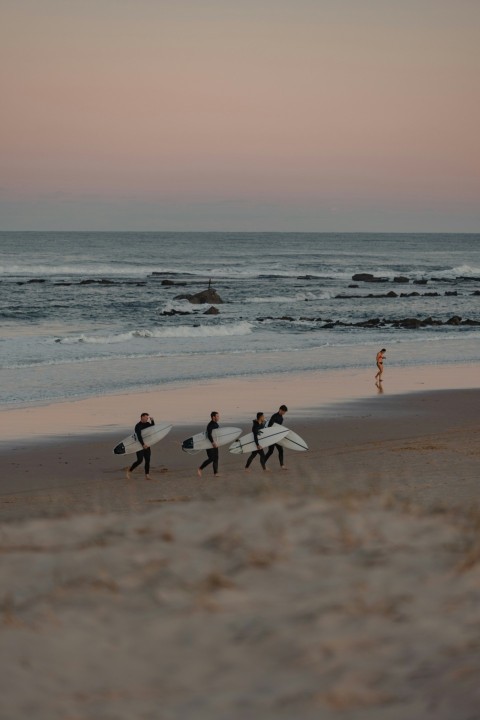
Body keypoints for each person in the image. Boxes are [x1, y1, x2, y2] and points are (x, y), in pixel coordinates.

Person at [126, 413, 155, 480]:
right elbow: (139, 436)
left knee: (147, 460)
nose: (147, 418)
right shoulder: (138, 426)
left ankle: (147, 475)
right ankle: (129, 470)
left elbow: (152, 428)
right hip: (139, 445)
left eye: (147, 418)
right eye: (146, 417)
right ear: (142, 417)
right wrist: (143, 444)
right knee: (140, 460)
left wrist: (152, 421)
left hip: (147, 444)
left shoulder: (147, 424)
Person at [264, 404, 288, 469]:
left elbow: (279, 428)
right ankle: (263, 463)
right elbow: (269, 426)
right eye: (283, 411)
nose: (284, 413)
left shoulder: (281, 418)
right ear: (280, 410)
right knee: (270, 451)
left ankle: (282, 465)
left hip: (276, 437)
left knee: (281, 450)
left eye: (285, 412)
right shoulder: (274, 416)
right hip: (271, 436)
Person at [197, 411, 220, 477]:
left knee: (216, 458)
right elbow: (209, 434)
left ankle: (215, 473)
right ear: (213, 417)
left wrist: (218, 442)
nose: (218, 417)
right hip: (209, 444)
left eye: (218, 416)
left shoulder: (216, 424)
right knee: (211, 458)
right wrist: (213, 442)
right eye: (217, 416)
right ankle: (200, 469)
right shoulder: (210, 425)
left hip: (214, 443)